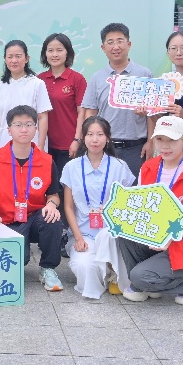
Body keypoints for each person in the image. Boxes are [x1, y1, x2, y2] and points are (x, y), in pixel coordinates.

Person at [120, 116, 183, 305]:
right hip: (154, 237)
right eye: (160, 139)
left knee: (139, 276)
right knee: (124, 233)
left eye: (172, 140)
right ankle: (148, 279)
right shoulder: (148, 167)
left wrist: (172, 235)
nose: (165, 146)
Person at [0, 105, 64, 291]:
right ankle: (20, 250)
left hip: (35, 218)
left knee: (53, 220)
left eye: (28, 124)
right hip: (6, 220)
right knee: (18, 260)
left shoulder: (46, 160)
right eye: (18, 125)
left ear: (36, 129)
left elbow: (54, 194)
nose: (23, 129)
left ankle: (47, 268)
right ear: (9, 129)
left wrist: (51, 204)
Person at [62, 115, 135, 299]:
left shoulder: (120, 166)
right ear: (83, 138)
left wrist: (112, 210)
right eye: (90, 134)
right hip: (85, 233)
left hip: (113, 233)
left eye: (100, 134)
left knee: (113, 249)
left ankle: (112, 270)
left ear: (107, 138)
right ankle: (106, 272)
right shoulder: (72, 167)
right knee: (83, 266)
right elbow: (68, 207)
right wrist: (78, 238)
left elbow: (127, 203)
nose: (95, 139)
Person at [80, 23, 154, 176]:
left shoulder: (144, 74)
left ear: (129, 44)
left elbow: (151, 113)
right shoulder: (97, 77)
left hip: (136, 148)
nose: (115, 47)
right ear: (103, 48)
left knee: (134, 188)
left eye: (120, 41)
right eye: (110, 42)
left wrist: (150, 142)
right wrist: (90, 140)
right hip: (105, 147)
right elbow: (90, 113)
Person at [38, 33, 87, 174]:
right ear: (45, 53)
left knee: (68, 184)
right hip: (44, 145)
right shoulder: (39, 80)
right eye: (50, 50)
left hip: (69, 146)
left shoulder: (77, 79)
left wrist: (77, 140)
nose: (55, 54)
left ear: (68, 53)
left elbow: (82, 112)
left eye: (59, 50)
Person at [0, 40, 52, 149]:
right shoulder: (0, 86)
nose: (14, 60)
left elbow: (43, 117)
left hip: (32, 145)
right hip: (5, 144)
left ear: (26, 59)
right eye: (10, 57)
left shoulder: (37, 84)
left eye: (18, 56)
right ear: (5, 59)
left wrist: (41, 146)